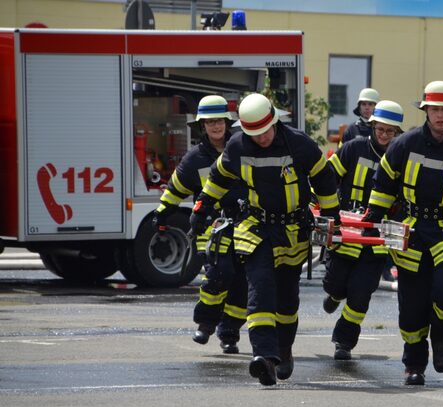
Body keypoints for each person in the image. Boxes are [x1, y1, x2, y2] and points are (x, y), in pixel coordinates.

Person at [189, 93, 340, 386]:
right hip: (256, 228)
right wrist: (202, 206)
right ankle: (264, 357)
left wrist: (331, 217)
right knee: (259, 290)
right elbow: (219, 177)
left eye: (265, 131)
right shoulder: (237, 146)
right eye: (254, 134)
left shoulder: (300, 144)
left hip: (293, 231)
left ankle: (283, 351)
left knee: (286, 300)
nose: (261, 138)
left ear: (274, 121)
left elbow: (324, 179)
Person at [363, 81, 443, 386]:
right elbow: (384, 181)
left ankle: (441, 337)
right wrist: (374, 215)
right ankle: (413, 365)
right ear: (426, 110)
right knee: (411, 306)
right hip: (410, 230)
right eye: (434, 109)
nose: (439, 115)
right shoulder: (405, 144)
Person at [153, 95, 247, 354]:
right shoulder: (194, 158)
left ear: (227, 123)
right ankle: (205, 323)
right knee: (219, 274)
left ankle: (230, 334)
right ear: (202, 126)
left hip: (244, 224)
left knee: (241, 282)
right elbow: (176, 187)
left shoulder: (241, 147)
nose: (215, 127)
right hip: (212, 226)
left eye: (219, 121)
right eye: (210, 122)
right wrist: (163, 211)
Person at [324, 100, 404, 360]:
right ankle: (334, 296)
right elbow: (328, 177)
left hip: (376, 239)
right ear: (372, 127)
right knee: (335, 284)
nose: (384, 135)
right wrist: (320, 203)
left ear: (397, 133)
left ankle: (344, 342)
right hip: (345, 233)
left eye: (390, 131)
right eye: (380, 129)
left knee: (361, 294)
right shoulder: (352, 148)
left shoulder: (401, 159)